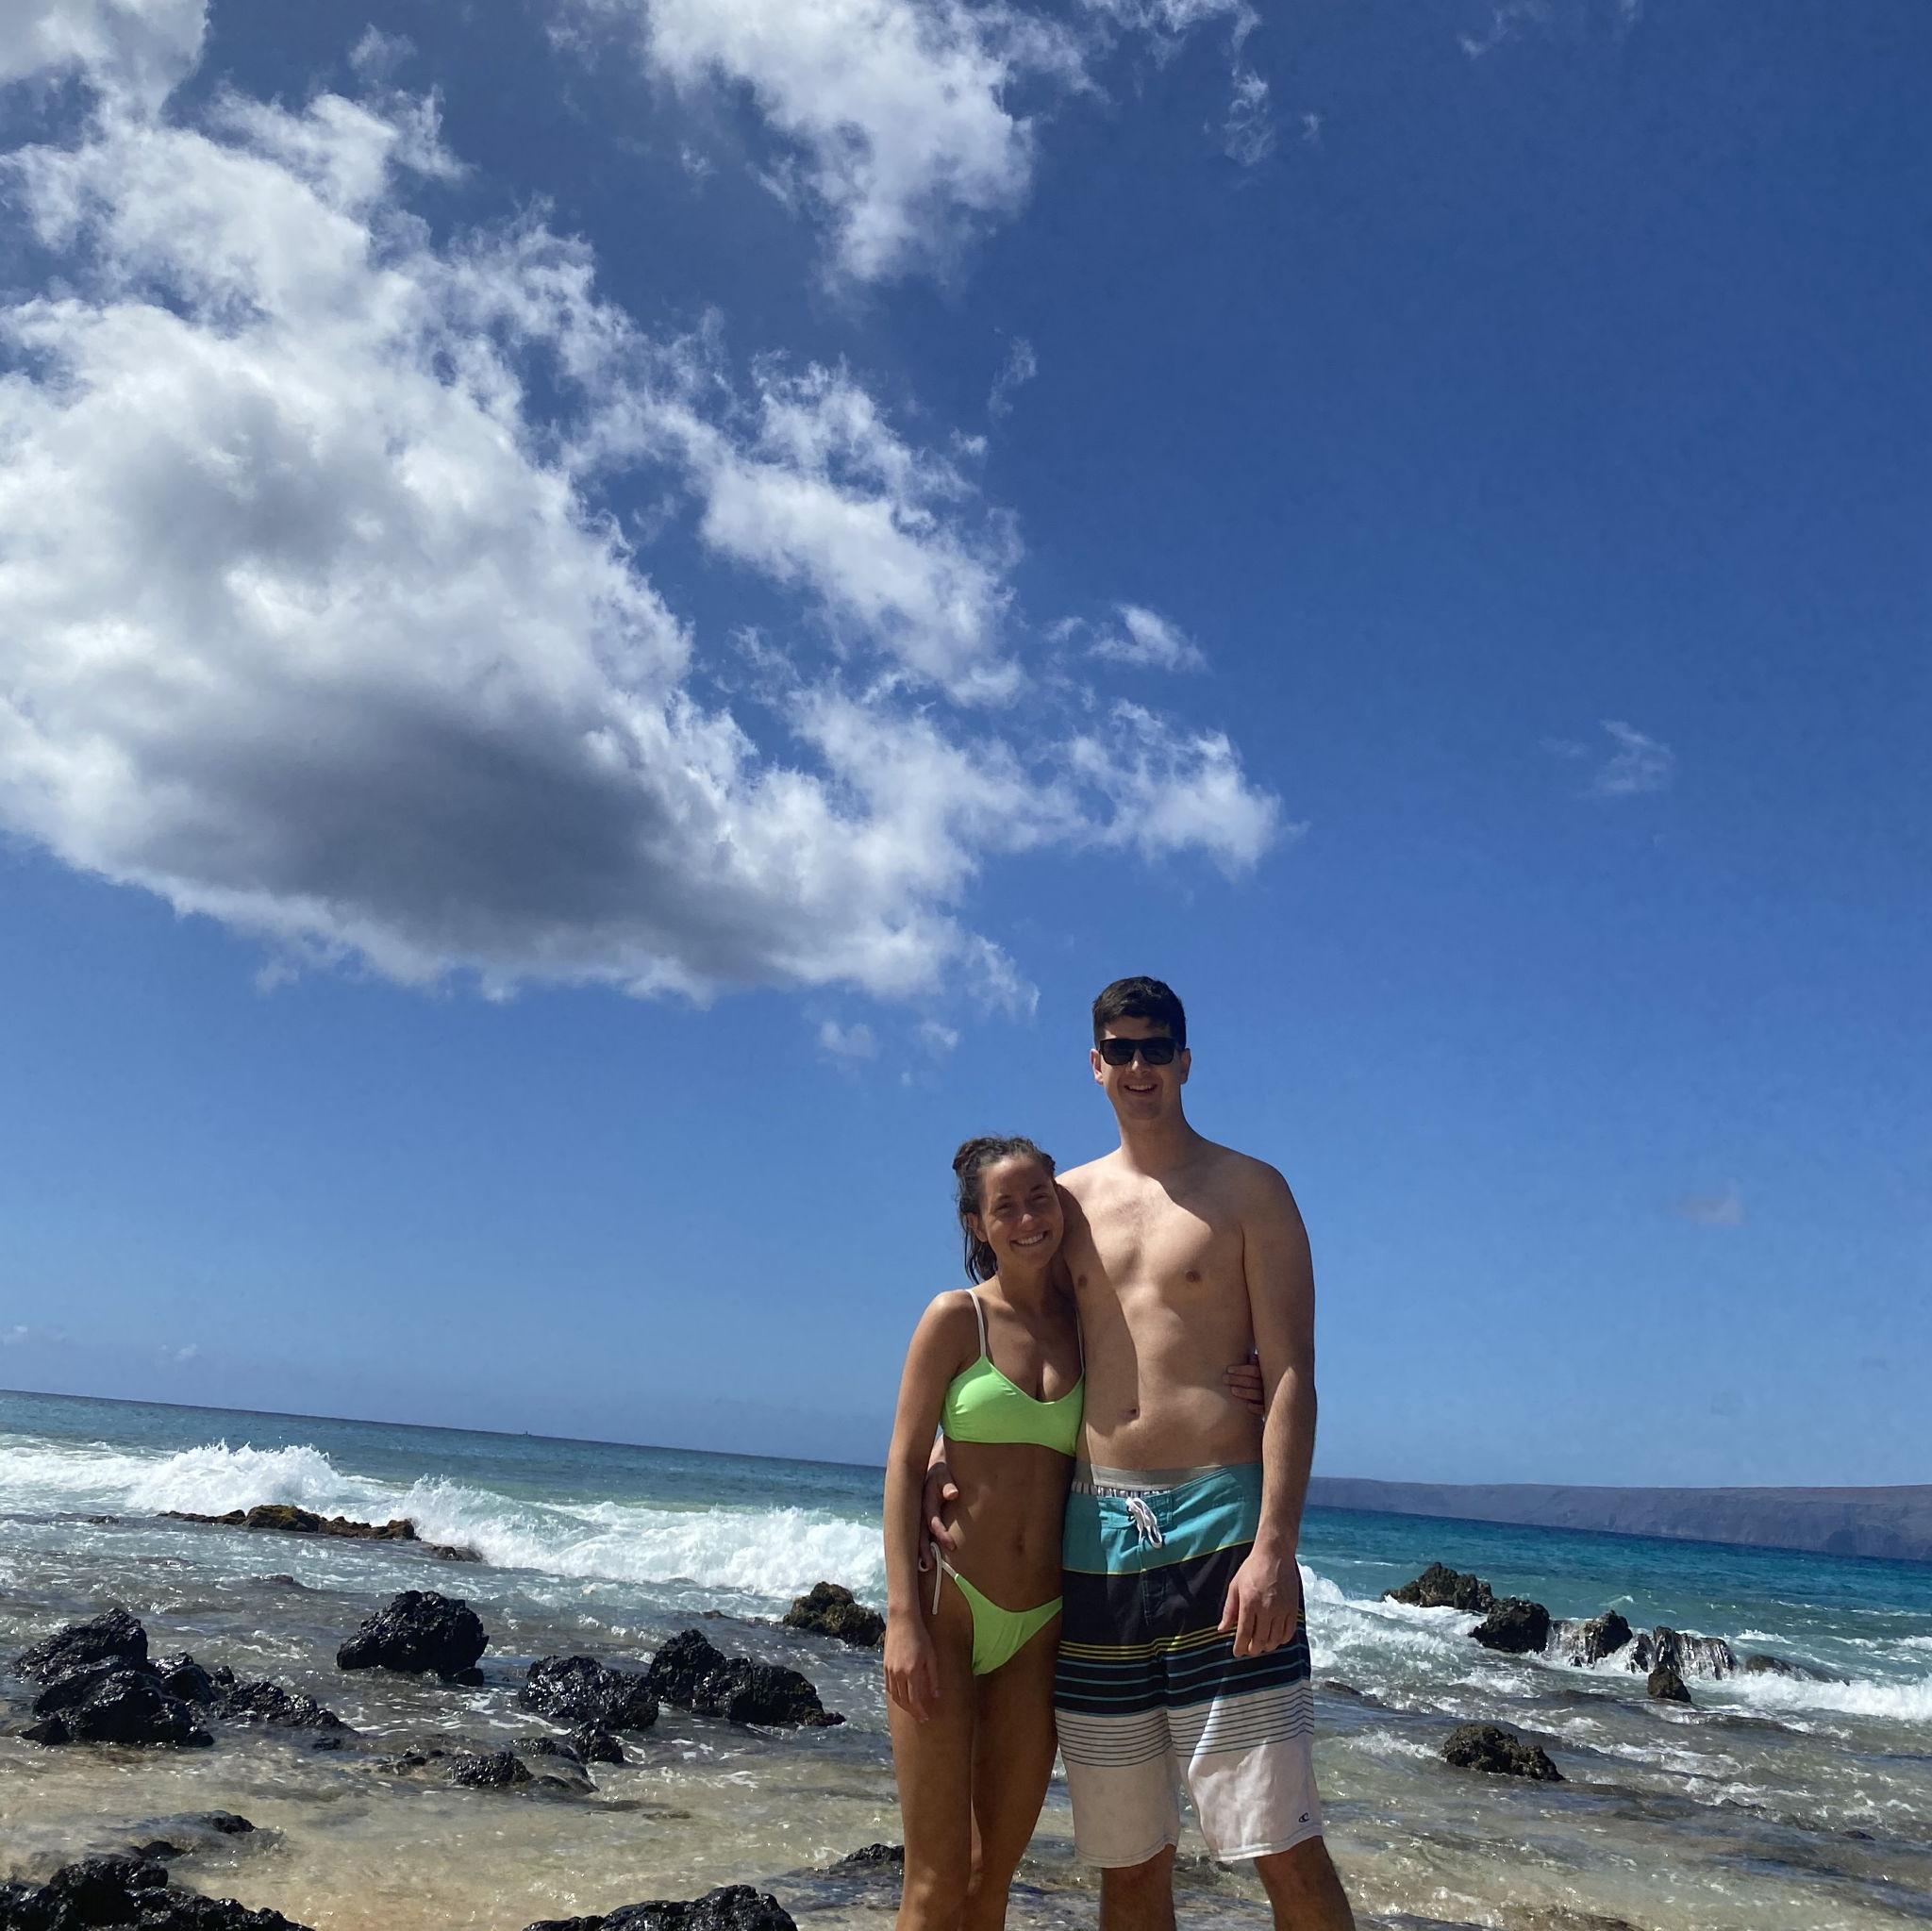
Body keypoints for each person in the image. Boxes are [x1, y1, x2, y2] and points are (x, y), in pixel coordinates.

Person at [927, 977, 1356, 1931]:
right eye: (1118, 1049)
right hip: (1097, 1546)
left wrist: (1275, 1547)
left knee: (1279, 1840)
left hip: (1220, 1533)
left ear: (1184, 1061)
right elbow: (1005, 1339)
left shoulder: (1250, 1190)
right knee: (1127, 1858)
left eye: (1154, 1048)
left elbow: (1292, 1371)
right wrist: (939, 1458)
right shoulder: (1066, 1205)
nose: (1137, 1066)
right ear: (1094, 1064)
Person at [882, 1137, 1269, 1930]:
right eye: (1006, 1206)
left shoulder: (1087, 1328)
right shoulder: (956, 1317)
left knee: (992, 1876)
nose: (1029, 1217)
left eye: (1040, 1198)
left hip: (1041, 1624)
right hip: (949, 1608)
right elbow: (901, 1459)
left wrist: (1246, 1374)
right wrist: (902, 1619)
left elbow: (1164, 1368)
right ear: (977, 1223)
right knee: (935, 1880)